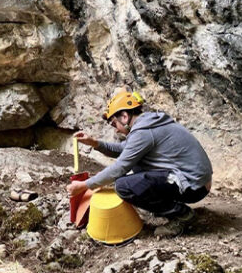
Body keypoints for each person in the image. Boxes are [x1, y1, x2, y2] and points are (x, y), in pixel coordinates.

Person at [66, 91, 213, 237]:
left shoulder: (144, 132)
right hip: (196, 181)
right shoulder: (147, 125)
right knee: (136, 169)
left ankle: (182, 215)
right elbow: (123, 149)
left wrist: (85, 185)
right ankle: (162, 207)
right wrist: (95, 143)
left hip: (194, 187)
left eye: (114, 123)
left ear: (124, 116)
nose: (116, 128)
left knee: (123, 186)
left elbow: (120, 167)